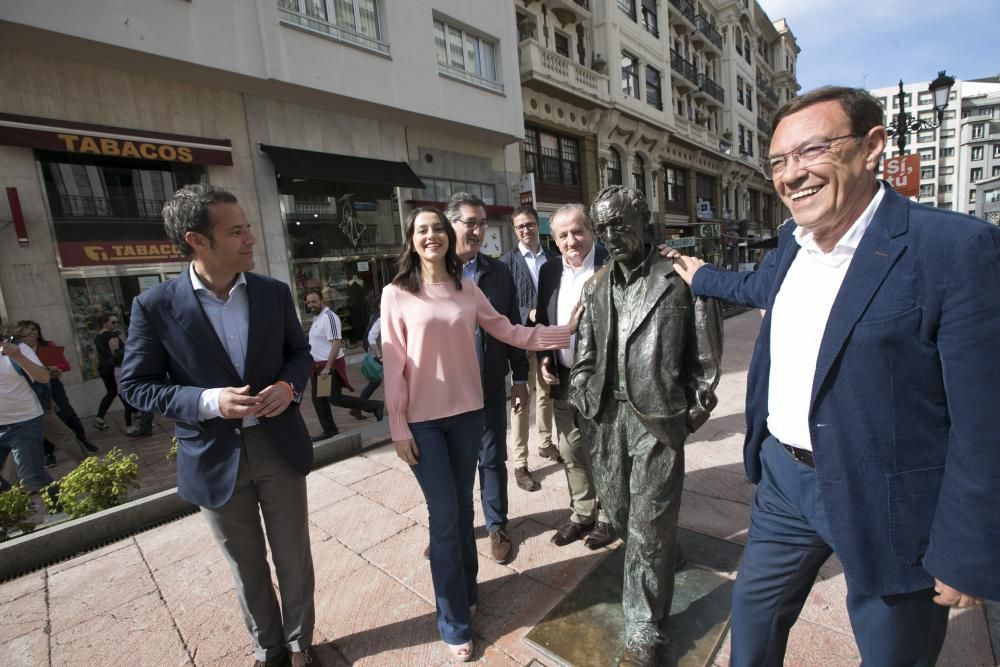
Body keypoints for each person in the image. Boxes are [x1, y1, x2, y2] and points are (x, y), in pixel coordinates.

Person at [667, 86, 1000, 666]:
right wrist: (700, 278)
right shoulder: (790, 247)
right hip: (784, 484)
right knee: (752, 622)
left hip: (890, 499)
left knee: (894, 652)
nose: (791, 174)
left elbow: (985, 419)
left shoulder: (952, 249)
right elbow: (752, 289)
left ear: (871, 147)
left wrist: (967, 548)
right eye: (777, 161)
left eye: (811, 151)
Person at [119, 184, 318, 667]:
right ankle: (268, 649)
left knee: (294, 558)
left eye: (248, 226)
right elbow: (137, 385)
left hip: (278, 446)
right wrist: (208, 401)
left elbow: (300, 354)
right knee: (246, 565)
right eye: (237, 231)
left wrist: (289, 389)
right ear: (197, 240)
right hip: (212, 456)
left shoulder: (272, 293)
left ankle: (299, 643)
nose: (251, 238)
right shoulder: (155, 306)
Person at [381, 206, 577, 661]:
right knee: (445, 518)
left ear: (449, 238)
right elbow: (394, 368)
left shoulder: (466, 288)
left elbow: (508, 331)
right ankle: (453, 621)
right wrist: (397, 426)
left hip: (468, 415)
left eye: (438, 230)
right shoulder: (396, 294)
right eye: (422, 230)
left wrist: (565, 333)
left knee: (460, 509)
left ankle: (467, 591)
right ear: (411, 240)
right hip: (423, 424)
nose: (432, 236)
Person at [569, 185, 723, 666]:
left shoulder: (679, 277)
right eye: (604, 228)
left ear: (643, 222)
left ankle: (644, 629)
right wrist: (580, 390)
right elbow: (585, 354)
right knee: (618, 513)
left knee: (649, 527)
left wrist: (690, 414)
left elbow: (705, 359)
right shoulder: (595, 286)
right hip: (606, 417)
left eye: (620, 225)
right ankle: (666, 555)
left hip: (657, 420)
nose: (612, 236)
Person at [444, 191, 528, 564]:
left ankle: (497, 526)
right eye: (470, 222)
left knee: (491, 460)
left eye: (482, 223)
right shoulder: (429, 273)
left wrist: (520, 378)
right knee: (450, 467)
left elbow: (511, 327)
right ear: (450, 225)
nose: (478, 230)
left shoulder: (498, 273)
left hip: (490, 387)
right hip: (443, 394)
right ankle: (452, 529)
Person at [534, 203, 616, 550]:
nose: (572, 240)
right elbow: (542, 322)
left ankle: (610, 516)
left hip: (606, 377)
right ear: (554, 240)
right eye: (563, 235)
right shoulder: (550, 272)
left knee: (607, 449)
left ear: (591, 231)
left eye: (577, 231)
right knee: (571, 449)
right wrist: (543, 358)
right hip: (565, 376)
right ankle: (582, 514)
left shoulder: (613, 263)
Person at [499, 205, 560, 491]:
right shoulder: (505, 264)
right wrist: (529, 311)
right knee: (521, 401)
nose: (526, 229)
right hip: (521, 340)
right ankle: (520, 463)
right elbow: (503, 306)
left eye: (530, 224)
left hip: (547, 338)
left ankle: (546, 444)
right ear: (514, 230)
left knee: (546, 393)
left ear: (539, 225)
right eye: (520, 226)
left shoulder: (553, 258)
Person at [304, 289, 384, 441]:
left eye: (314, 301)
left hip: (328, 366)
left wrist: (328, 367)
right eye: (308, 302)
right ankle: (330, 430)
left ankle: (374, 405)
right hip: (318, 366)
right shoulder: (317, 318)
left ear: (322, 301)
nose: (311, 305)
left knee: (334, 398)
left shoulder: (329, 317)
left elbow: (336, 342)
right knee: (320, 400)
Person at [15, 320, 98, 453]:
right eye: (28, 330)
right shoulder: (17, 350)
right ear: (20, 333)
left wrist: (56, 368)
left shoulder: (47, 345)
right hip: (33, 388)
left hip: (53, 385)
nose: (32, 332)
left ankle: (82, 440)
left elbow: (65, 365)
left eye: (34, 329)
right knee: (45, 420)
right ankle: (49, 452)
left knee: (67, 413)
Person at [0, 319, 58, 502]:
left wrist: (18, 357)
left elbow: (42, 377)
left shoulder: (18, 349)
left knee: (31, 476)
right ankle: (17, 508)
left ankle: (61, 508)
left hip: (24, 422)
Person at [92, 312, 123, 431]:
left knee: (112, 392)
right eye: (113, 322)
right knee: (121, 391)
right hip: (113, 367)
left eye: (117, 322)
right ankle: (133, 416)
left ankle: (100, 418)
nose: (115, 324)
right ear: (104, 323)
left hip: (103, 367)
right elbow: (116, 353)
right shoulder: (111, 335)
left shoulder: (98, 337)